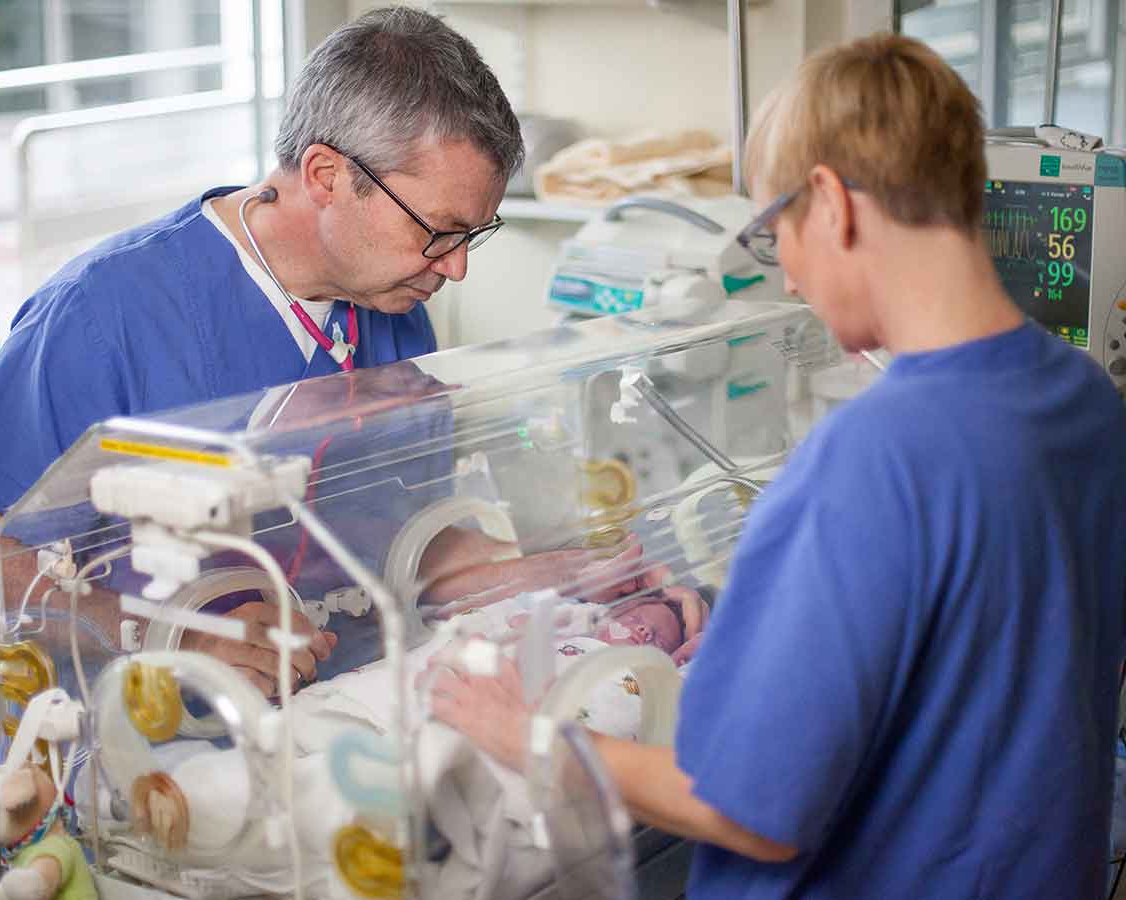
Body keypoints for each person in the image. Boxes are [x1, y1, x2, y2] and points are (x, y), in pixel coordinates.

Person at [430, 33, 1126, 899]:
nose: (789, 279)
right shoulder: (1087, 402)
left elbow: (751, 808)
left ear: (831, 203)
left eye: (773, 234)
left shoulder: (875, 458)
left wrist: (533, 738)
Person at [0, 7, 524, 689]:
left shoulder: (392, 305)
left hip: (335, 717)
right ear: (327, 175)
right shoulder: (104, 315)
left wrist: (521, 578)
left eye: (471, 236)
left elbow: (391, 528)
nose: (455, 268)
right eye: (440, 231)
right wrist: (167, 637)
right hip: (158, 752)